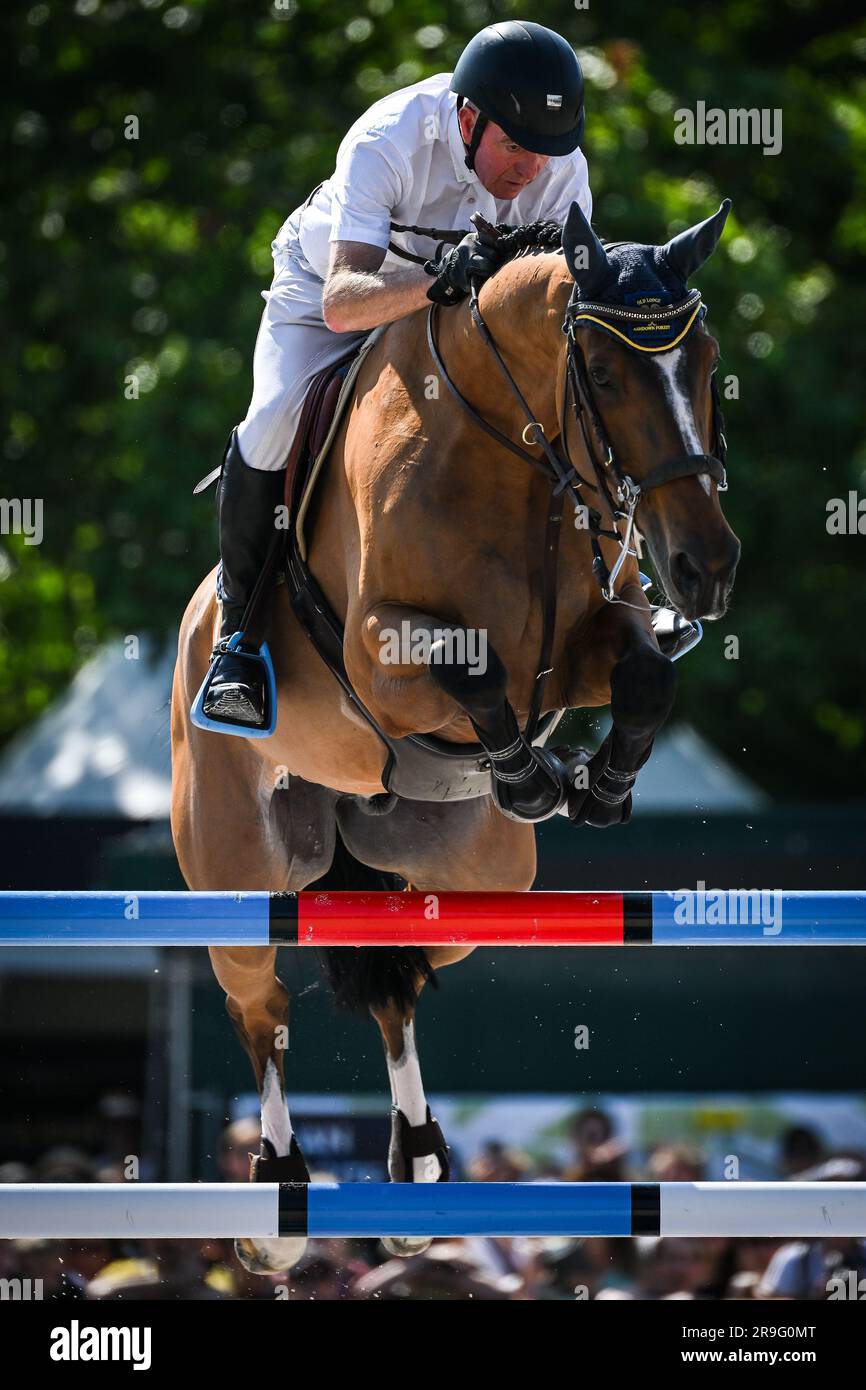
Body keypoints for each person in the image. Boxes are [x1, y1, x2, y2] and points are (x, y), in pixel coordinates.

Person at [203, 20, 591, 727]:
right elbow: (345, 301)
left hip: (457, 315)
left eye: (545, 153)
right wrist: (442, 282)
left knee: (576, 400)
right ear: (468, 118)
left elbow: (568, 308)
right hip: (329, 290)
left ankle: (622, 585)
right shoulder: (391, 137)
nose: (531, 170)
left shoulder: (560, 169)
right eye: (514, 146)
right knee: (271, 422)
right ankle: (239, 639)